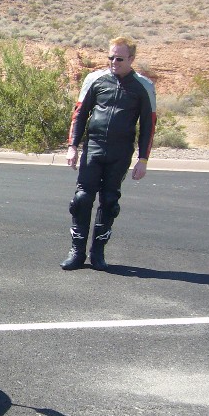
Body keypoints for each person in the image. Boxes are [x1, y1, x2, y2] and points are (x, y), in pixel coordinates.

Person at [62, 36, 156, 271]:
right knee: (82, 199)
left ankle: (98, 253)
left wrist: (142, 160)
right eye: (110, 57)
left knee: (110, 201)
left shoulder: (144, 86)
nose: (114, 62)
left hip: (120, 151)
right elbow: (80, 114)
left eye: (119, 58)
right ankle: (77, 251)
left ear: (132, 59)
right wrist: (73, 146)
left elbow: (148, 125)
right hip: (93, 147)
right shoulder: (95, 79)